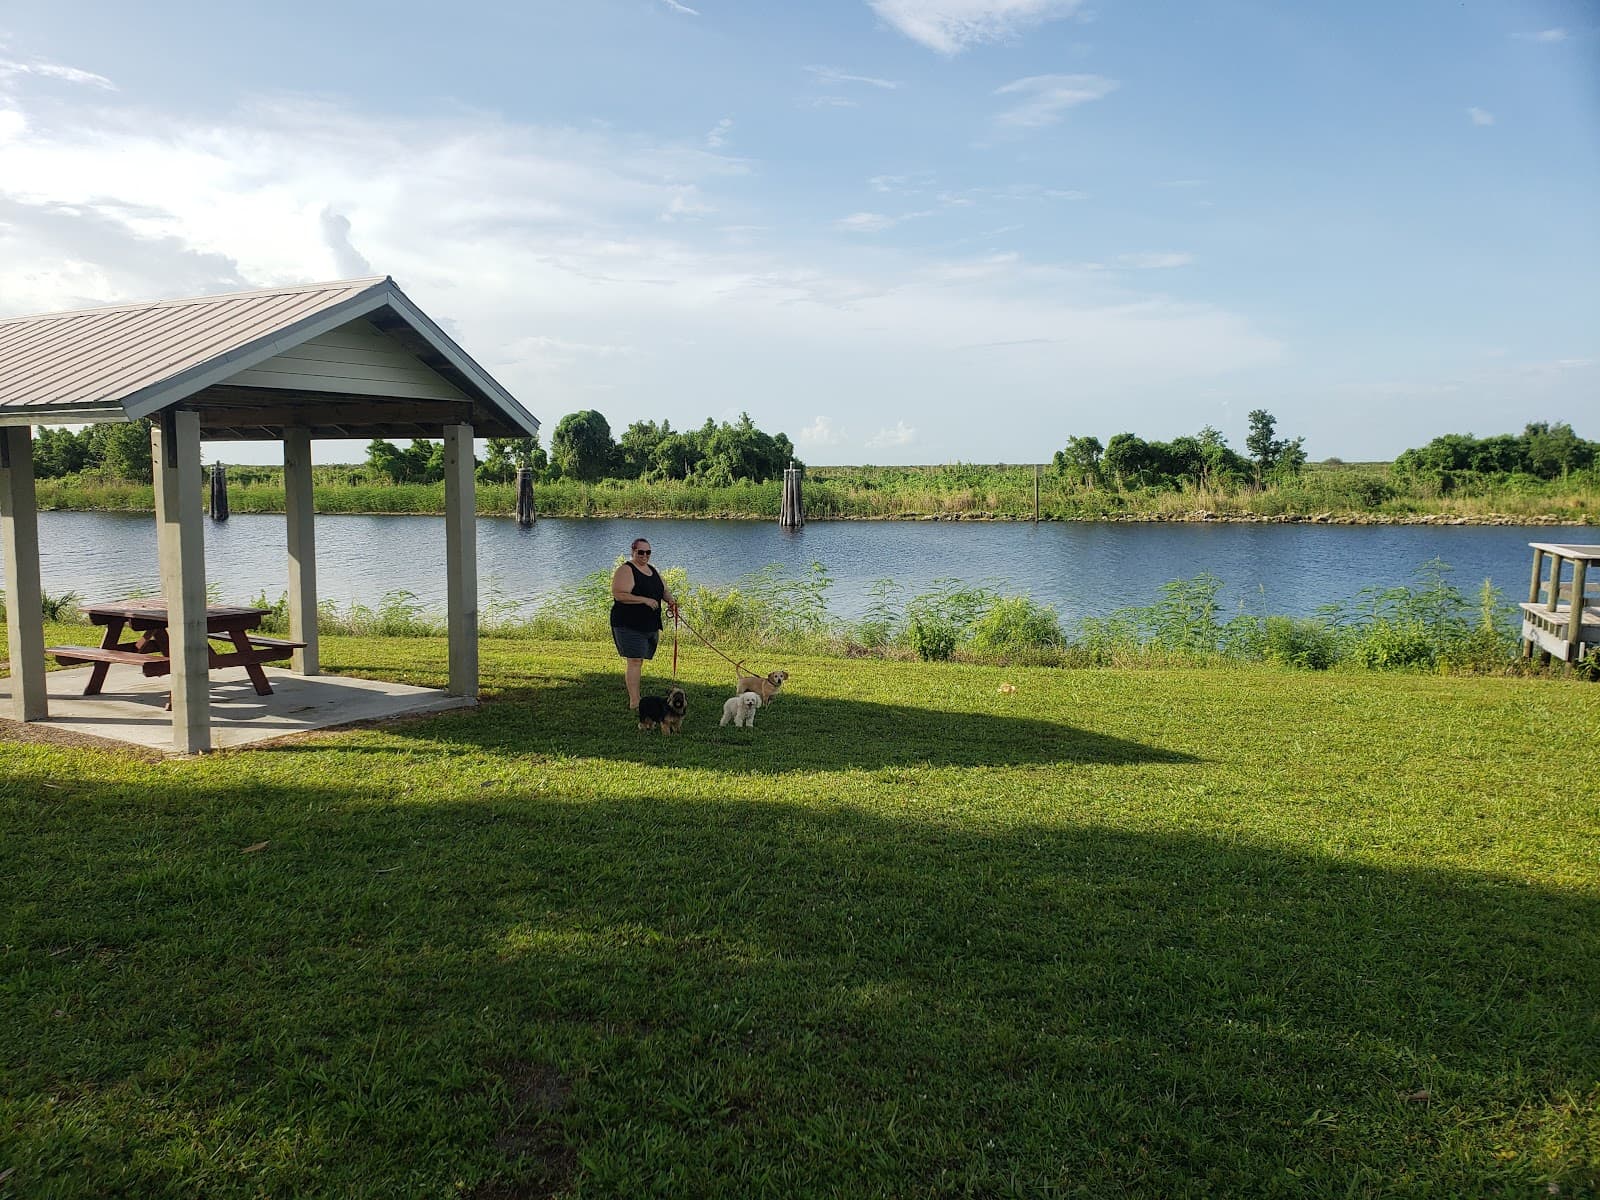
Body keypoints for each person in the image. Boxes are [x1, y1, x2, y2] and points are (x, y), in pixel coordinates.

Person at [610, 537, 677, 711]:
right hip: (628, 623)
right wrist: (644, 600)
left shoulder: (652, 570)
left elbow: (663, 590)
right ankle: (635, 701)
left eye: (648, 552)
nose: (645, 555)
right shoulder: (626, 570)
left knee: (639, 660)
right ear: (633, 551)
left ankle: (636, 697)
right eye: (641, 552)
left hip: (649, 624)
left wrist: (670, 601)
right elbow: (619, 594)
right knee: (635, 660)